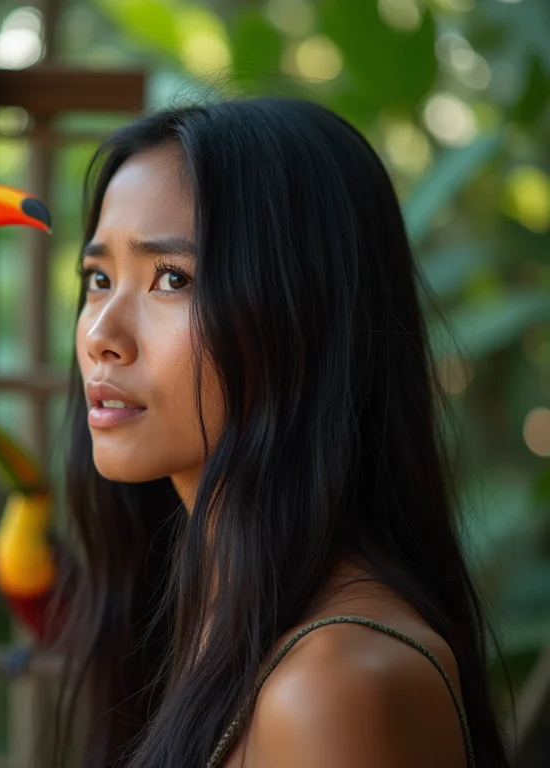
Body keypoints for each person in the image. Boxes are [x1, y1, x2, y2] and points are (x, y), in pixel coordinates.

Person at [39, 98, 511, 768]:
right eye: (99, 278)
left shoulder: (332, 688)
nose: (99, 336)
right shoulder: (205, 616)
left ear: (303, 316)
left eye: (171, 279)